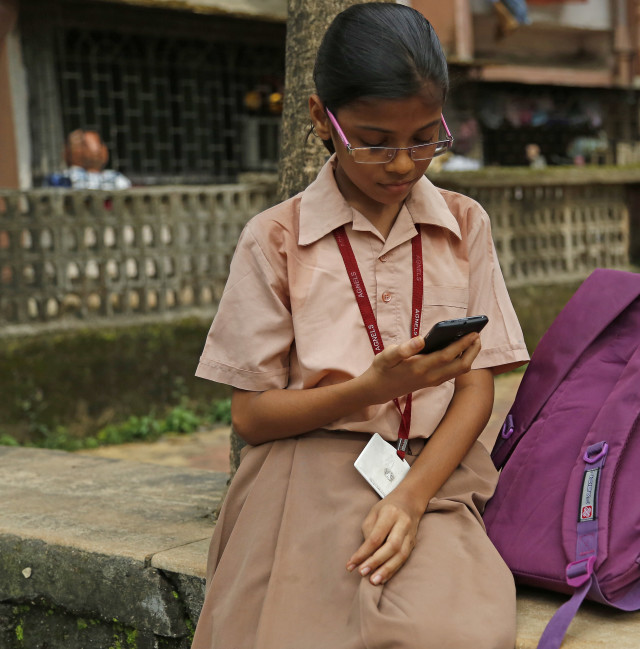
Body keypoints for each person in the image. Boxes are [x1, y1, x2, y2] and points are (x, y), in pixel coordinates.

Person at [191, 4, 529, 648]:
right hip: (303, 467)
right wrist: (369, 388)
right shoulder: (276, 239)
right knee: (288, 629)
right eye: (374, 141)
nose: (403, 165)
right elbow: (252, 417)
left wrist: (411, 499)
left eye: (426, 138)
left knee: (457, 631)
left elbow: (476, 389)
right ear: (322, 118)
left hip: (430, 468)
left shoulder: (465, 226)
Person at [46, 130, 132, 189]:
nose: (96, 149)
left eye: (99, 144)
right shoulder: (63, 179)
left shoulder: (116, 178)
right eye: (83, 144)